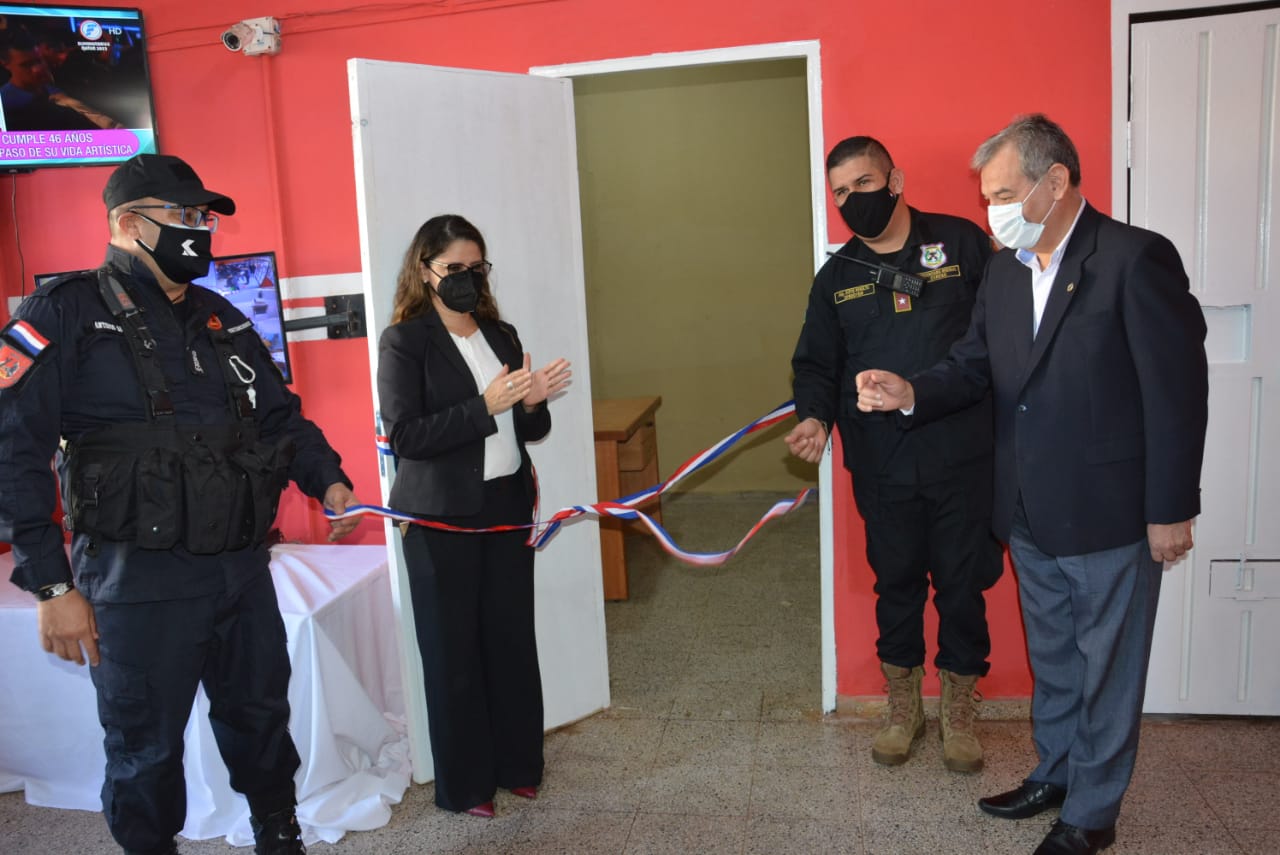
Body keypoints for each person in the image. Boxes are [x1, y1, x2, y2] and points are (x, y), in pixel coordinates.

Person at [855, 115, 1208, 855]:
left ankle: (1091, 814)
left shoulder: (1134, 259)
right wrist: (909, 391)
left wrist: (1171, 508)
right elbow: (973, 366)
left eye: (1005, 194)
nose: (992, 212)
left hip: (1112, 510)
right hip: (1024, 508)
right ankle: (1054, 773)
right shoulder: (1007, 271)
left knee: (1107, 666)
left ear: (1056, 182)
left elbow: (1177, 391)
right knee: (1055, 657)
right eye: (986, 197)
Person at [0, 153, 362, 855]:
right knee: (145, 747)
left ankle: (277, 832)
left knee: (260, 717)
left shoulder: (220, 317)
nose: (200, 230)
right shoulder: (64, 310)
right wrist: (51, 582)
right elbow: (13, 447)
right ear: (127, 223)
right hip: (138, 578)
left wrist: (329, 480)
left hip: (238, 568)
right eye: (184, 216)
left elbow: (281, 419)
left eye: (205, 217)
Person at [788, 136, 1002, 772]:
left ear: (896, 178)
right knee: (898, 584)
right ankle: (903, 706)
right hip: (883, 465)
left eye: (864, 183)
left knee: (964, 586)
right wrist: (814, 417)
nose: (855, 200)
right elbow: (815, 364)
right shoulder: (837, 279)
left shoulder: (962, 245)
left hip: (963, 455)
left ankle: (960, 709)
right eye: (842, 193)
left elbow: (1004, 339)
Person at [376, 214, 571, 818]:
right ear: (424, 270)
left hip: (505, 507)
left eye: (476, 268)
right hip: (440, 521)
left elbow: (528, 428)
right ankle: (465, 786)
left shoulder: (501, 335)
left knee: (510, 642)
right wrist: (483, 406)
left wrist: (533, 402)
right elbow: (407, 435)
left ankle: (519, 764)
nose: (467, 278)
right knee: (452, 653)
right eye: (454, 268)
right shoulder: (404, 342)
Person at [0, 31, 122, 131]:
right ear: (5, 64)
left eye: (39, 61)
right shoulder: (6, 103)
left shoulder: (53, 89)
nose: (37, 69)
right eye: (26, 65)